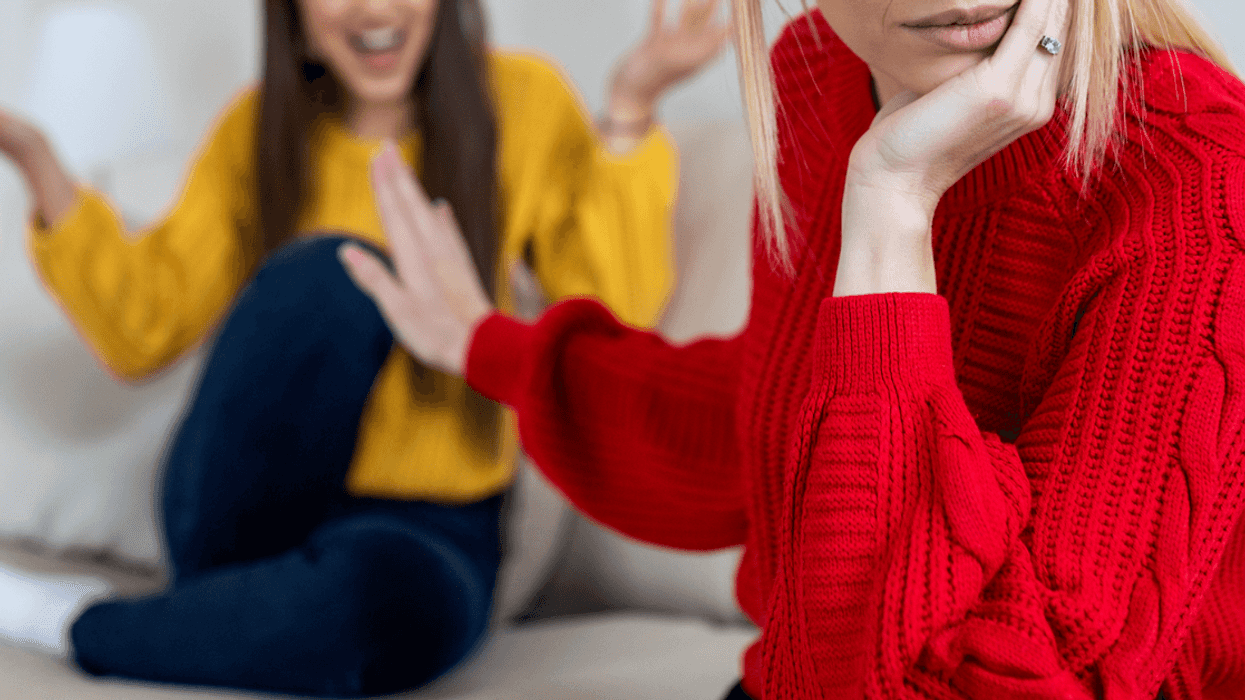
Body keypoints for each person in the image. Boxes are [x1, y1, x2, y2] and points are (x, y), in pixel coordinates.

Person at [339, 0, 1245, 697]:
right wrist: (487, 347)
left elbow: (1011, 675)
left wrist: (892, 205)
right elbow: (774, 414)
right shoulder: (814, 76)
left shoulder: (1196, 171)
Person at [0, 0, 729, 696]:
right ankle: (219, 611)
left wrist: (631, 104)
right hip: (242, 514)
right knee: (334, 272)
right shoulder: (255, 130)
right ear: (298, 20)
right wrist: (33, 157)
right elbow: (141, 328)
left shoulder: (523, 100)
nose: (375, 10)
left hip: (429, 527)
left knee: (386, 610)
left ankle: (82, 623)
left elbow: (612, 312)